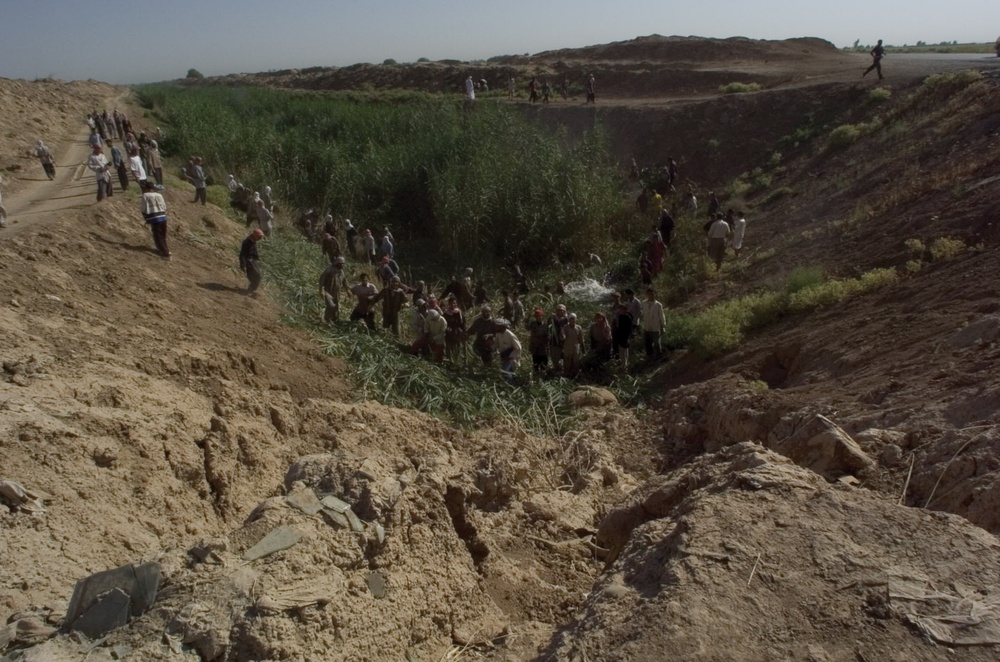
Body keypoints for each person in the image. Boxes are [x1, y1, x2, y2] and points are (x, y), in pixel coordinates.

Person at [139, 180, 170, 258]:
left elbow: (143, 208)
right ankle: (165, 249)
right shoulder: (159, 195)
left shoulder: (145, 195)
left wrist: (145, 217)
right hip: (163, 217)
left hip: (154, 218)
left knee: (157, 235)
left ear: (146, 188)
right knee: (163, 235)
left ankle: (165, 253)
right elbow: (164, 207)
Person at [319, 256, 347, 323]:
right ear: (337, 263)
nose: (342, 265)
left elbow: (345, 282)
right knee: (331, 306)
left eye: (343, 263)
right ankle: (327, 319)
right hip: (328, 292)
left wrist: (348, 290)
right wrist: (321, 290)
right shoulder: (329, 270)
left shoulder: (341, 272)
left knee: (336, 309)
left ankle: (335, 321)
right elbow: (322, 280)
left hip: (336, 294)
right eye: (341, 263)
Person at [640, 287, 666, 358]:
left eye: (652, 294)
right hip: (646, 327)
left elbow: (662, 316)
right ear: (647, 295)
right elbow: (642, 313)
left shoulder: (658, 305)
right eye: (649, 294)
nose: (650, 295)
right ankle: (649, 357)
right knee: (647, 343)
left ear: (654, 294)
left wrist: (663, 326)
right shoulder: (643, 303)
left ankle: (658, 357)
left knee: (656, 343)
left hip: (655, 327)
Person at [240, 229, 264, 296]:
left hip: (253, 261)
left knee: (257, 275)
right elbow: (243, 254)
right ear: (255, 235)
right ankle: (250, 290)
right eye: (259, 237)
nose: (260, 238)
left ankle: (252, 289)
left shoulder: (253, 242)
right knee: (255, 275)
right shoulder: (246, 243)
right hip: (249, 261)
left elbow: (254, 252)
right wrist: (243, 265)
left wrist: (257, 259)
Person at [443, 296, 466, 362]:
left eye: (454, 303)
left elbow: (463, 322)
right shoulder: (446, 313)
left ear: (456, 304)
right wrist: (446, 328)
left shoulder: (459, 312)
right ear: (449, 304)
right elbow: (444, 322)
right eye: (451, 303)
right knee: (449, 347)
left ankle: (456, 361)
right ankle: (449, 361)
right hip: (449, 332)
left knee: (457, 347)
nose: (452, 305)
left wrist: (463, 331)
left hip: (457, 332)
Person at [612, 303, 634, 368]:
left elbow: (630, 329)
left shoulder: (628, 318)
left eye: (621, 309)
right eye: (620, 309)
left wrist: (628, 337)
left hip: (625, 337)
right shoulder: (620, 316)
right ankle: (622, 364)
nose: (620, 310)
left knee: (625, 352)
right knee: (621, 351)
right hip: (620, 336)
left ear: (625, 310)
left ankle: (625, 365)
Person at [527, 309, 549, 373]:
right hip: (535, 348)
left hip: (543, 348)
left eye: (539, 316)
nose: (538, 317)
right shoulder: (532, 324)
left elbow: (548, 336)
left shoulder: (546, 325)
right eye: (536, 316)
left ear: (542, 316)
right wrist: (528, 318)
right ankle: (536, 377)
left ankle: (542, 378)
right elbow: (527, 327)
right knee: (536, 365)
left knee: (544, 365)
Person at [548, 304, 569, 373]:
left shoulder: (566, 319)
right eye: (559, 310)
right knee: (554, 357)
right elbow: (548, 328)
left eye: (562, 311)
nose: (560, 312)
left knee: (564, 357)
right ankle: (556, 370)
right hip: (554, 341)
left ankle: (562, 370)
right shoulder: (552, 318)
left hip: (564, 342)